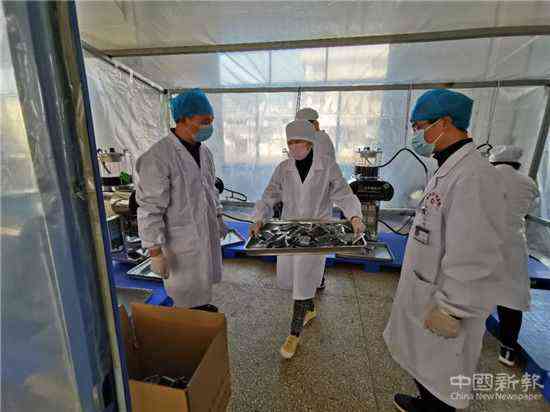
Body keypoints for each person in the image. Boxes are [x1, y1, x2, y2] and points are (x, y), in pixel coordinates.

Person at [383, 89, 508, 411]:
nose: (416, 135)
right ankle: (425, 404)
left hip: (449, 303)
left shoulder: (474, 177)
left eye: (420, 126)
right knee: (425, 363)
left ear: (445, 123)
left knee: (442, 371)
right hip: (428, 287)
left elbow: (474, 251)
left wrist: (452, 308)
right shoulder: (448, 167)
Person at [250, 120, 365, 359]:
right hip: (289, 231)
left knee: (303, 279)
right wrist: (258, 217)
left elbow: (344, 194)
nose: (294, 146)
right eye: (290, 142)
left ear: (310, 142)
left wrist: (354, 216)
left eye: (298, 141)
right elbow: (269, 194)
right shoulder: (283, 168)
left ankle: (293, 334)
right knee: (293, 278)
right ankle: (310, 308)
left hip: (316, 232)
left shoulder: (327, 166)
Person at [136, 88, 227, 311]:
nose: (209, 127)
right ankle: (187, 321)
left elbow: (210, 190)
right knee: (184, 293)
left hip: (205, 232)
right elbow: (150, 209)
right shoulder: (158, 156)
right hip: (179, 241)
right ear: (184, 119)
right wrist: (154, 251)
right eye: (203, 121)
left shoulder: (205, 153)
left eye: (211, 121)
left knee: (203, 283)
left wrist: (218, 217)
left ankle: (201, 309)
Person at [489, 145, 540, 367]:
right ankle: (508, 350)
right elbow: (530, 209)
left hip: (483, 240)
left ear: (494, 162)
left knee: (472, 288)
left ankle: (461, 339)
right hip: (513, 244)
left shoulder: (484, 176)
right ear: (517, 164)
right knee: (511, 297)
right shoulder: (528, 183)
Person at [295, 107, 336, 290]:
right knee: (313, 238)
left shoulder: (319, 140)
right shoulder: (321, 138)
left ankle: (312, 280)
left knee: (311, 238)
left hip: (314, 198)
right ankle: (313, 279)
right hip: (316, 198)